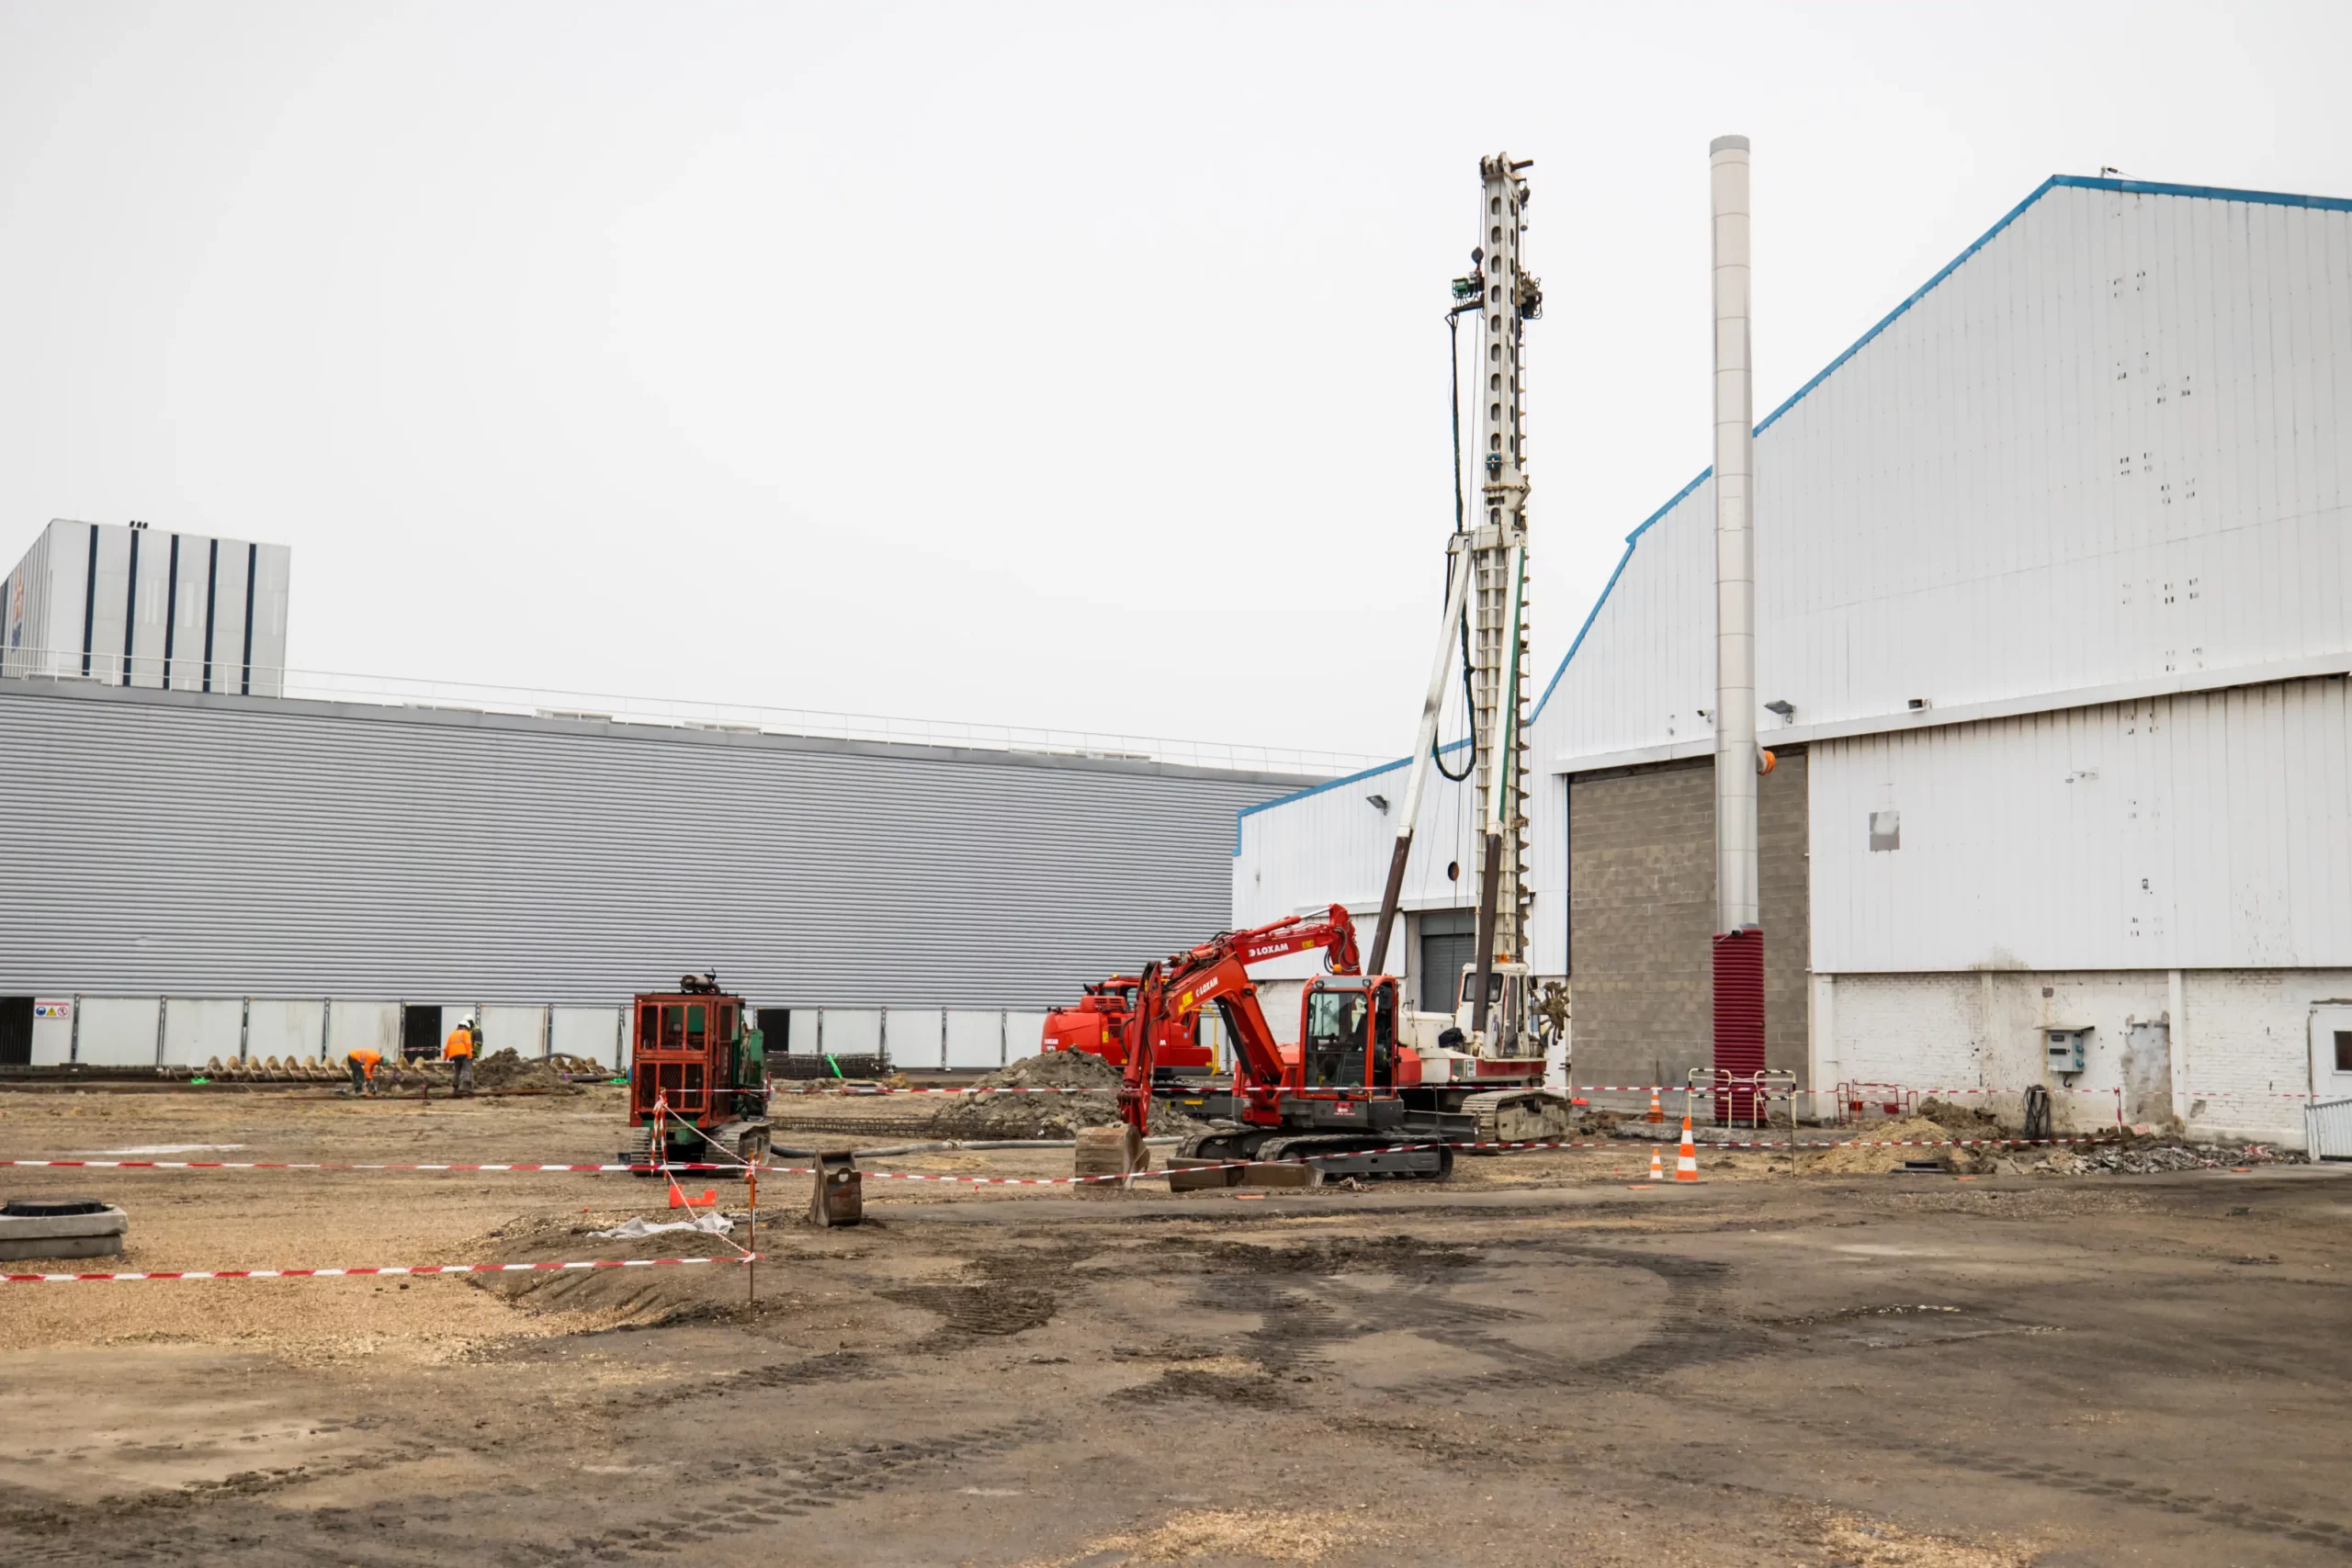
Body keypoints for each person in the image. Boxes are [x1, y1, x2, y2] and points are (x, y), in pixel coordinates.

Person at [445, 1014, 478, 1095]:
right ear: (466, 1027)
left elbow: (447, 1048)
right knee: (467, 1070)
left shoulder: (452, 1034)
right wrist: (470, 1055)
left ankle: (455, 1089)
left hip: (455, 1056)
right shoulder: (465, 1033)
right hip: (464, 1055)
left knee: (457, 1072)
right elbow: (468, 1045)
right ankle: (466, 1086)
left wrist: (444, 1058)